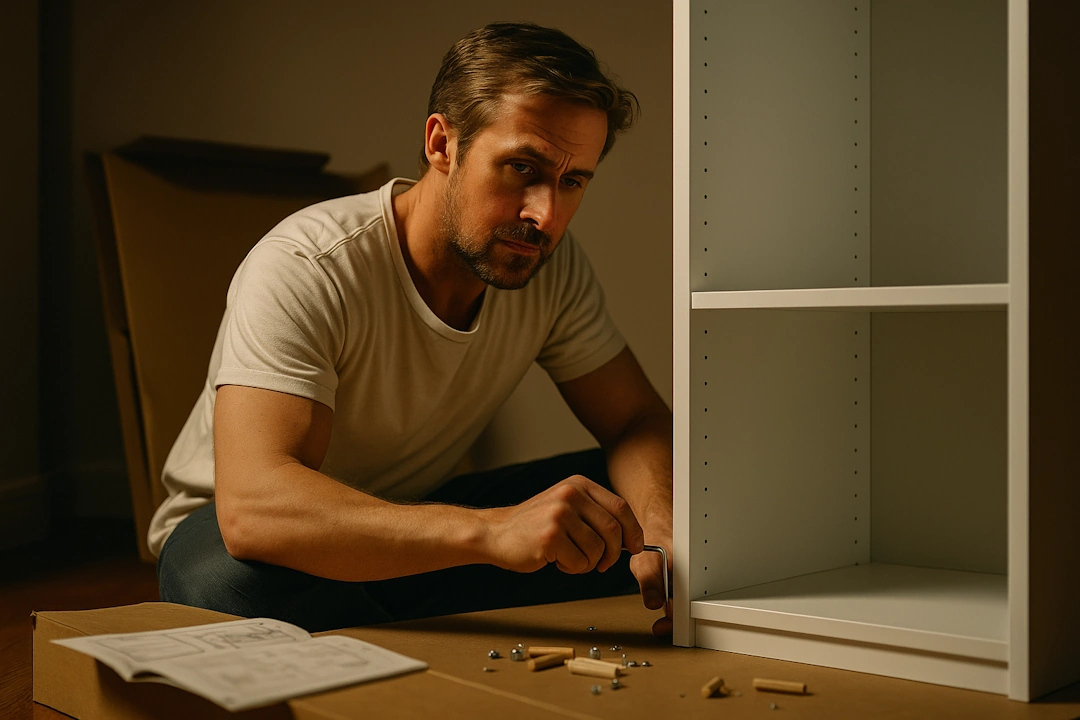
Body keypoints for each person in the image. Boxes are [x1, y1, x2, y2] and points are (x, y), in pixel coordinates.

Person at [151, 21, 673, 635]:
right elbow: (255, 508)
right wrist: (490, 533)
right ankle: (412, 631)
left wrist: (660, 527)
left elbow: (635, 420)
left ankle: (377, 627)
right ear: (441, 144)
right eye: (521, 168)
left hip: (415, 520)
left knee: (620, 504)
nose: (545, 214)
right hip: (239, 530)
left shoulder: (550, 271)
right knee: (221, 575)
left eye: (573, 181)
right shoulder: (308, 264)